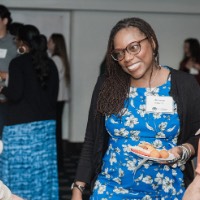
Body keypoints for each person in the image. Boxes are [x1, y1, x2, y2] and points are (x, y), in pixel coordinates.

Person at [71, 17, 200, 200]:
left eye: (133, 47)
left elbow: (197, 134)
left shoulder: (184, 84)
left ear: (152, 42)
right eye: (120, 53)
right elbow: (91, 140)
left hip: (166, 191)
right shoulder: (107, 85)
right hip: (111, 189)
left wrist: (181, 151)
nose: (128, 58)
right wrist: (78, 189)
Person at [0, 24, 59, 200]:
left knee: (18, 175)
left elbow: (15, 95)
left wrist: (2, 88)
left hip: (21, 129)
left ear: (22, 43)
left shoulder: (18, 63)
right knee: (42, 175)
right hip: (46, 129)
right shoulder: (51, 64)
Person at [47, 33, 70, 171]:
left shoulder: (55, 59)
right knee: (57, 131)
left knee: (55, 131)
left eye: (50, 41)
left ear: (55, 43)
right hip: (60, 98)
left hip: (56, 99)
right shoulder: (60, 58)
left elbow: (51, 79)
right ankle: (59, 162)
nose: (48, 43)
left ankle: (58, 163)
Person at [0, 4, 17, 138]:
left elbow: (23, 71)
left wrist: (5, 76)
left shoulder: (15, 43)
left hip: (5, 100)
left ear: (5, 21)